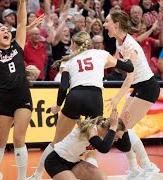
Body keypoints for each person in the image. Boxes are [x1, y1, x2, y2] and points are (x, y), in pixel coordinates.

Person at [28, 31, 135, 180]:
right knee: (93, 138)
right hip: (94, 97)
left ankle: (36, 175)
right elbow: (129, 67)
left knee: (56, 142)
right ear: (89, 44)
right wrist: (129, 57)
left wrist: (58, 107)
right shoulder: (100, 54)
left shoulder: (68, 60)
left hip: (75, 97)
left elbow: (64, 87)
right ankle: (94, 171)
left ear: (73, 44)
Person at [0, 0, 34, 179]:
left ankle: (22, 177)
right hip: (4, 100)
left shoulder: (18, 47)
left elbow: (21, 23)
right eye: (2, 30)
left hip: (23, 98)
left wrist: (22, 3)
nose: (6, 31)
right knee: (0, 141)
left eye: (7, 30)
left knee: (19, 139)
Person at [103, 10, 161, 179]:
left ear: (116, 24)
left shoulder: (130, 46)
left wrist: (117, 98)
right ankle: (135, 168)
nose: (105, 25)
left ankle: (148, 166)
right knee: (122, 129)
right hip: (140, 87)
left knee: (121, 128)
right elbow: (111, 61)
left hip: (148, 87)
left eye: (107, 22)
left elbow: (130, 77)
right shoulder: (118, 42)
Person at [45, 109, 131, 180]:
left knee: (102, 178)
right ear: (109, 130)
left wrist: (125, 129)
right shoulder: (91, 129)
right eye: (115, 136)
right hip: (56, 161)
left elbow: (126, 148)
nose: (116, 139)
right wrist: (113, 127)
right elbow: (103, 149)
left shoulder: (106, 135)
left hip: (74, 162)